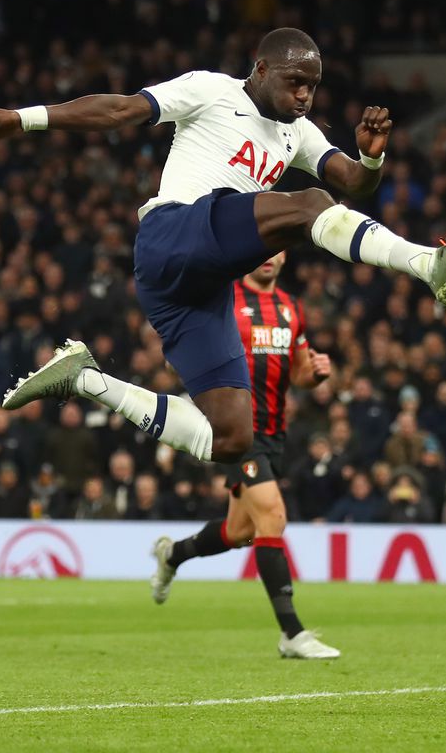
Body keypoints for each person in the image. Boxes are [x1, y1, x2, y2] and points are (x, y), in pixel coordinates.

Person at [0, 27, 446, 475]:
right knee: (307, 203)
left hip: (192, 289)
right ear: (260, 71)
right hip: (174, 233)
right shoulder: (211, 90)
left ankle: (84, 378)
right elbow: (119, 110)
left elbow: (353, 182)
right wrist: (22, 119)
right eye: (295, 83)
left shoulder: (298, 133)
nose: (305, 96)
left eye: (313, 86)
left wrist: (372, 159)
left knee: (233, 439)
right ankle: (428, 263)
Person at [149, 252, 340, 659]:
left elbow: (300, 373)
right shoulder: (224, 299)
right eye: (263, 250)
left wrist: (317, 371)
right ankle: (292, 632)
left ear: (287, 255)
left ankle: (172, 555)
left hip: (273, 433)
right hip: (235, 429)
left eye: (277, 251)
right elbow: (182, 347)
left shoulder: (291, 307)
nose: (269, 258)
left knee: (240, 531)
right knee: (272, 516)